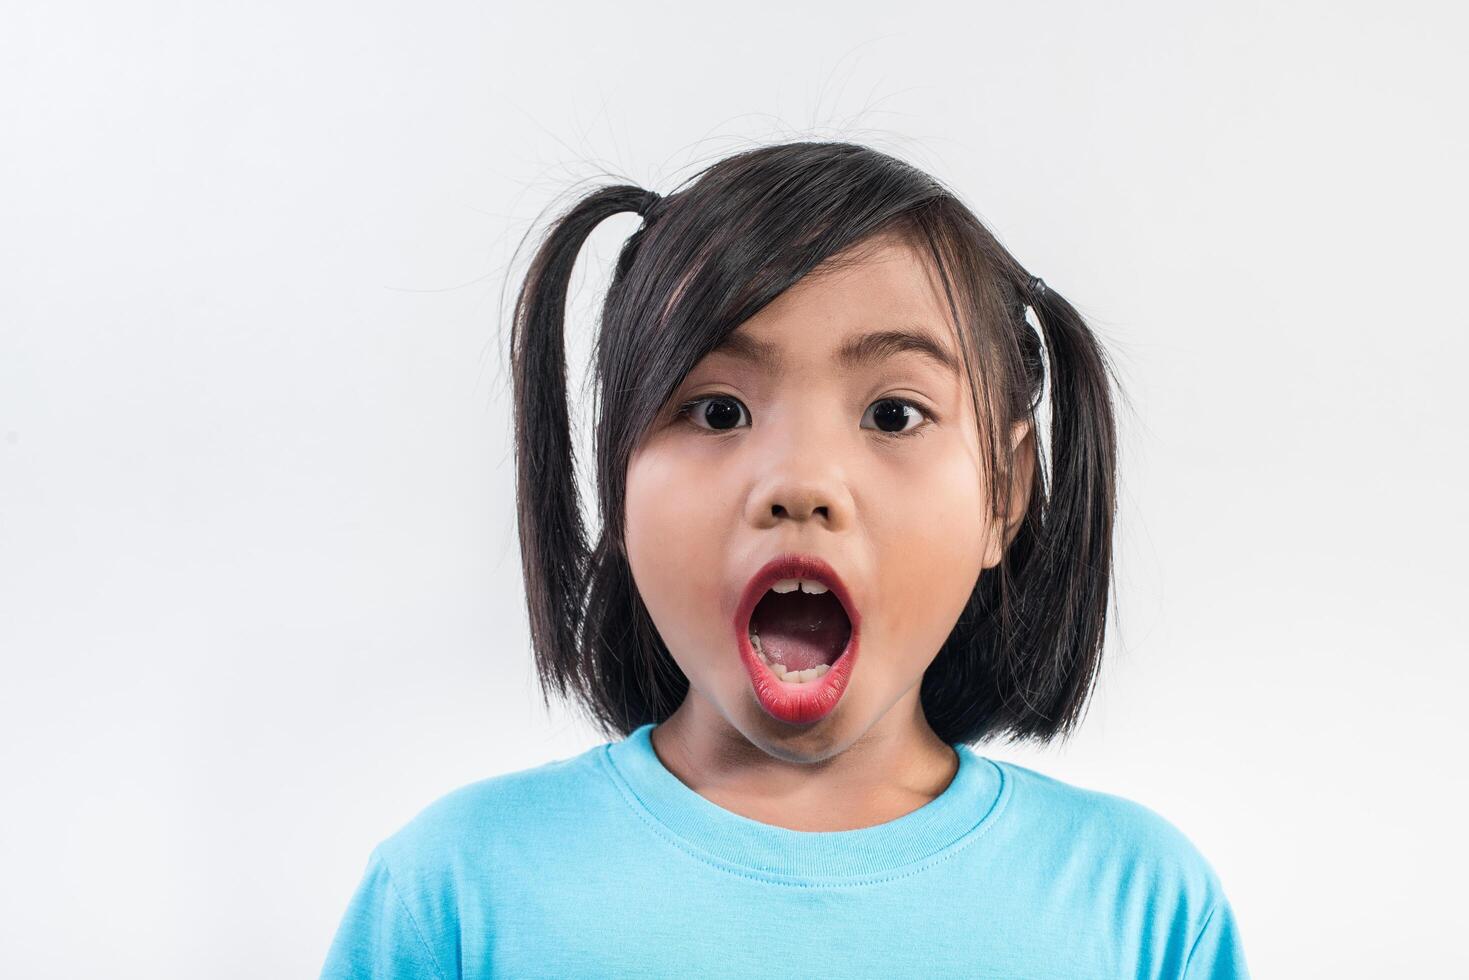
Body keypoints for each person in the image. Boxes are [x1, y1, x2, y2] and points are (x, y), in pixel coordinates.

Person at [319, 140, 1249, 978]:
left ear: (1003, 494)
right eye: (717, 410)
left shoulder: (1139, 913)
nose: (800, 483)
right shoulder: (454, 897)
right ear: (617, 480)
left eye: (893, 414)